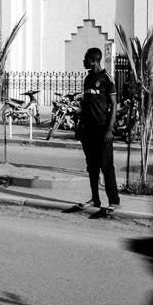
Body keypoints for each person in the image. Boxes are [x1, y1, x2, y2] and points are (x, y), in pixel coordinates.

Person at [64, 47, 120, 213]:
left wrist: (109, 130)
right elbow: (86, 105)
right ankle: (95, 198)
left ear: (94, 60)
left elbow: (114, 105)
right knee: (92, 166)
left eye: (85, 58)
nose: (83, 61)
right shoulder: (88, 79)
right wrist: (80, 126)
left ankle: (114, 201)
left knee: (106, 166)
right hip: (88, 130)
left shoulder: (106, 79)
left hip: (103, 129)